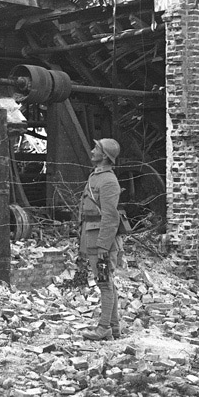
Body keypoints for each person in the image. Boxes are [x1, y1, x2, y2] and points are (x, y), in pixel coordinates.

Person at [78, 138, 122, 341]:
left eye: (96, 148)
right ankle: (113, 326)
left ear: (104, 155)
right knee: (106, 282)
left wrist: (104, 244)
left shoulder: (109, 181)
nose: (92, 150)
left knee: (104, 283)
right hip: (91, 235)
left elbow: (111, 216)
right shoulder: (96, 176)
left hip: (101, 240)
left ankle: (104, 328)